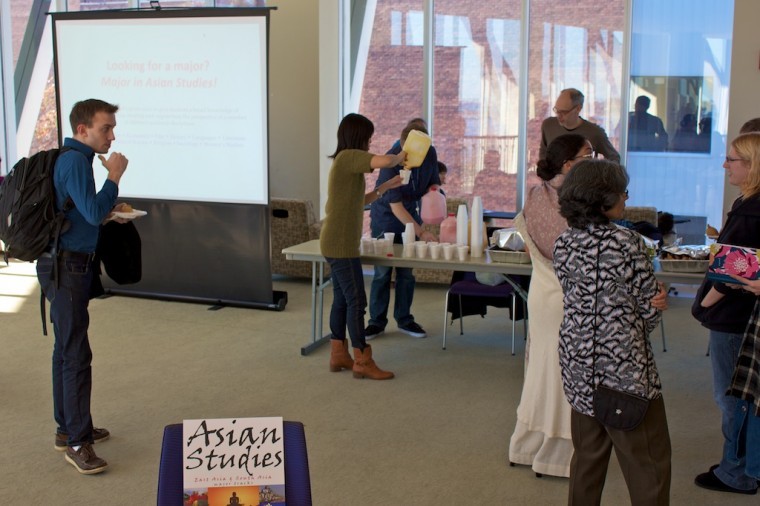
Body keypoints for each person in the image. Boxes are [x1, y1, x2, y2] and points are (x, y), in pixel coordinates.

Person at [553, 159, 671, 505]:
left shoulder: (564, 243)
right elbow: (647, 310)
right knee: (648, 465)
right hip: (623, 371)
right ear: (601, 198)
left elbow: (577, 294)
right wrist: (656, 304)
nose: (626, 198)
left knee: (587, 459)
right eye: (621, 192)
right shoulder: (628, 243)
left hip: (578, 364)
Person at [37, 99, 130, 474]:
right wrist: (115, 177)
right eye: (105, 128)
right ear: (82, 130)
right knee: (75, 355)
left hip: (65, 264)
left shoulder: (75, 159)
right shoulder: (76, 161)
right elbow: (91, 212)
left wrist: (107, 209)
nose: (111, 135)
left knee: (66, 350)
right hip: (67, 268)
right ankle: (77, 441)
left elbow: (82, 212)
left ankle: (69, 428)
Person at [508, 134, 592, 478]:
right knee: (564, 374)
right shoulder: (572, 206)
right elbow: (581, 261)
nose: (595, 159)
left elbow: (532, 249)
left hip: (542, 295)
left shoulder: (536, 195)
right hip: (568, 299)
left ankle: (526, 445)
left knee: (542, 368)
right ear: (569, 165)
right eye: (589, 154)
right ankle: (558, 454)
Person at [691, 132, 760, 495]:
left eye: (732, 159)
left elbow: (737, 269)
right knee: (742, 396)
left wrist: (705, 302)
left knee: (732, 397)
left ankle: (736, 472)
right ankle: (742, 464)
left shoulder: (750, 210)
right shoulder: (748, 203)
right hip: (744, 316)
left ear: (751, 165)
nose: (724, 165)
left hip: (735, 317)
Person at [320, 112, 404, 380]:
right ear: (358, 136)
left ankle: (338, 354)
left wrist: (385, 187)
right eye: (368, 137)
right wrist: (402, 155)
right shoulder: (349, 156)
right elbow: (386, 160)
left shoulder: (346, 162)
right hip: (340, 244)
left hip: (336, 241)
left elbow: (357, 200)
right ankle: (362, 359)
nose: (370, 141)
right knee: (357, 300)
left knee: (343, 299)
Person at [365, 118, 439, 340]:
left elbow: (432, 183)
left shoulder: (430, 153)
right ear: (402, 144)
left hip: (411, 212)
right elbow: (395, 207)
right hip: (386, 217)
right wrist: (421, 231)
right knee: (383, 272)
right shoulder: (390, 161)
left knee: (407, 272)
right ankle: (376, 322)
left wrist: (434, 194)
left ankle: (405, 319)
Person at [539, 88, 620, 162]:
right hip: (554, 178)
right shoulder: (548, 125)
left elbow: (614, 158)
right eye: (556, 110)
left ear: (578, 109)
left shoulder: (595, 133)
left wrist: (599, 175)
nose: (559, 116)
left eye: (564, 112)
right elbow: (543, 154)